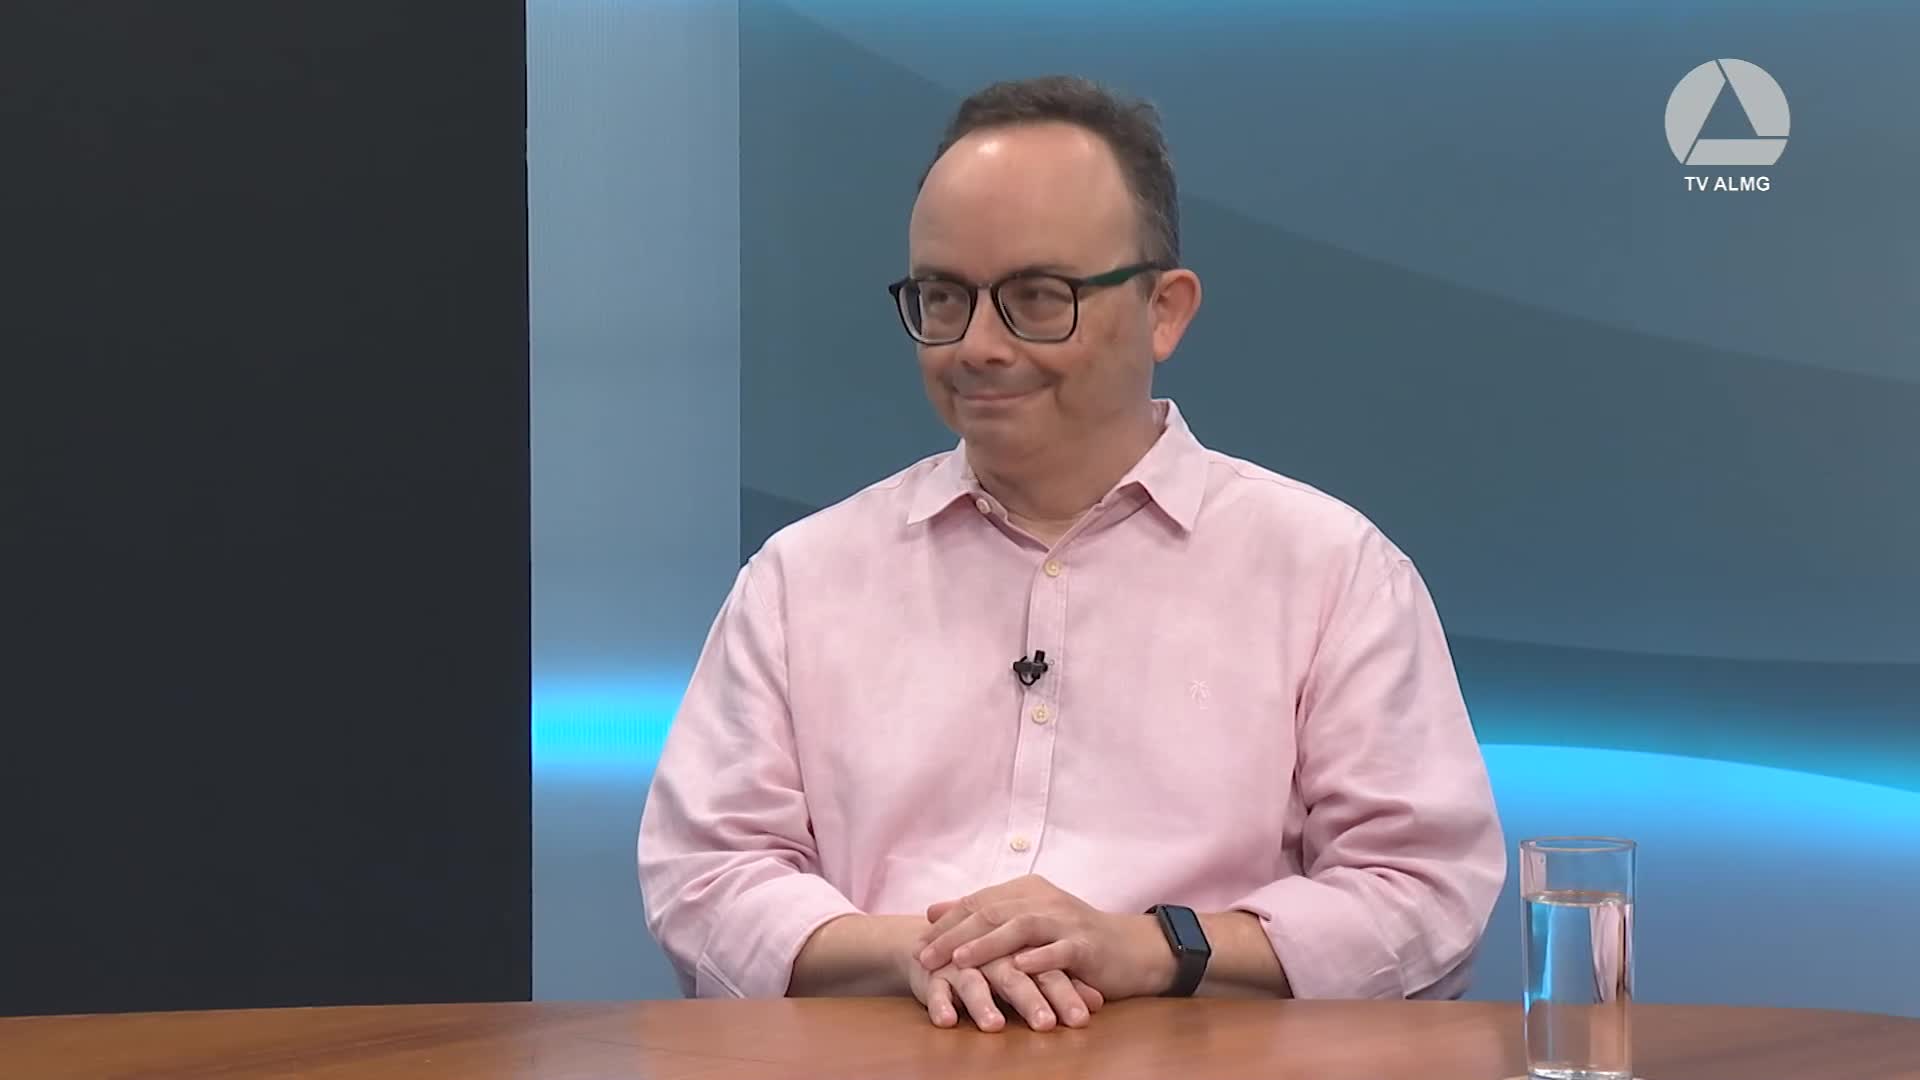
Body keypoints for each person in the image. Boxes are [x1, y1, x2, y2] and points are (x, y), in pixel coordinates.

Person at [638, 74, 1505, 1032]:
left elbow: (1424, 896)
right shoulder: (801, 579)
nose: (977, 346)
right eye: (943, 297)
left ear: (1165, 309)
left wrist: (1151, 949)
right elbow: (703, 877)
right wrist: (922, 952)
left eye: (1036, 298)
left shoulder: (1329, 572)